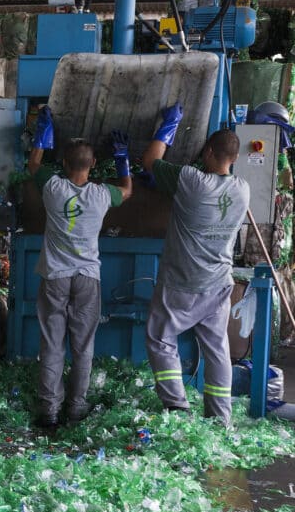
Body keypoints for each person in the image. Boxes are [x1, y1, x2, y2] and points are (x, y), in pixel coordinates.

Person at [142, 103, 250, 426]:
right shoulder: (242, 190)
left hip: (181, 284)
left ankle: (177, 406)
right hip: (218, 285)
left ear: (207, 152)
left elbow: (151, 161)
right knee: (217, 349)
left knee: (160, 338)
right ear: (235, 158)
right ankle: (220, 418)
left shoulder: (190, 181)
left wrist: (167, 126)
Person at [28, 106, 133, 428]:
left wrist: (42, 134)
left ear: (63, 164)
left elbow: (33, 165)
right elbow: (127, 191)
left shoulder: (53, 188)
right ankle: (76, 407)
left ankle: (49, 410)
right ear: (93, 166)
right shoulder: (102, 195)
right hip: (87, 277)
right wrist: (122, 159)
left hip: (55, 277)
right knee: (83, 345)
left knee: (52, 343)